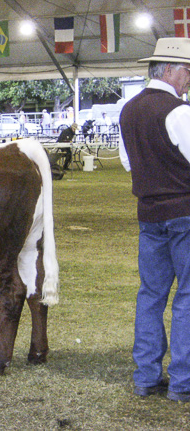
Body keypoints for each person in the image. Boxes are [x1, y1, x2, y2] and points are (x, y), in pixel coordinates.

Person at [119, 37, 190, 403]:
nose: (189, 78)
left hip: (149, 215)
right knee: (187, 297)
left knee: (150, 296)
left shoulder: (127, 110)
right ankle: (182, 381)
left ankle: (145, 376)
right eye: (187, 71)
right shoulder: (179, 111)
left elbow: (129, 164)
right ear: (169, 70)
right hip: (185, 213)